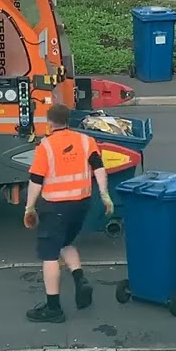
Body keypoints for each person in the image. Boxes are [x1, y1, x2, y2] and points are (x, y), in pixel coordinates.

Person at [23, 103, 114, 323]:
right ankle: (80, 279)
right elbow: (99, 168)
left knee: (50, 255)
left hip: (55, 207)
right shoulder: (86, 141)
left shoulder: (45, 146)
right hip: (82, 204)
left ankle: (53, 308)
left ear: (50, 121)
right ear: (68, 120)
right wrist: (104, 194)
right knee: (66, 243)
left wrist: (29, 207)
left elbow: (36, 181)